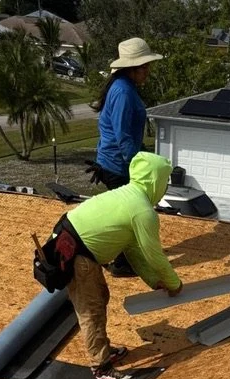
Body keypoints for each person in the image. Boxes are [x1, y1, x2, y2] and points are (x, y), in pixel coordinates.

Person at [50, 151, 182, 379]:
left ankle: (103, 350)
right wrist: (173, 283)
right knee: (91, 311)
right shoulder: (142, 210)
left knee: (100, 297)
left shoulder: (129, 196)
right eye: (165, 181)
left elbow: (133, 251)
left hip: (76, 245)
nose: (165, 186)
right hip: (77, 253)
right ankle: (101, 369)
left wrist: (154, 282)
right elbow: (154, 254)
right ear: (155, 181)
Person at [90, 37, 163, 276]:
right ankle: (122, 264)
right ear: (132, 68)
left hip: (114, 161)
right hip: (118, 164)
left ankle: (113, 256)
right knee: (129, 215)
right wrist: (138, 166)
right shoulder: (122, 91)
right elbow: (123, 135)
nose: (148, 71)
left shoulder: (123, 87)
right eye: (145, 67)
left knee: (122, 213)